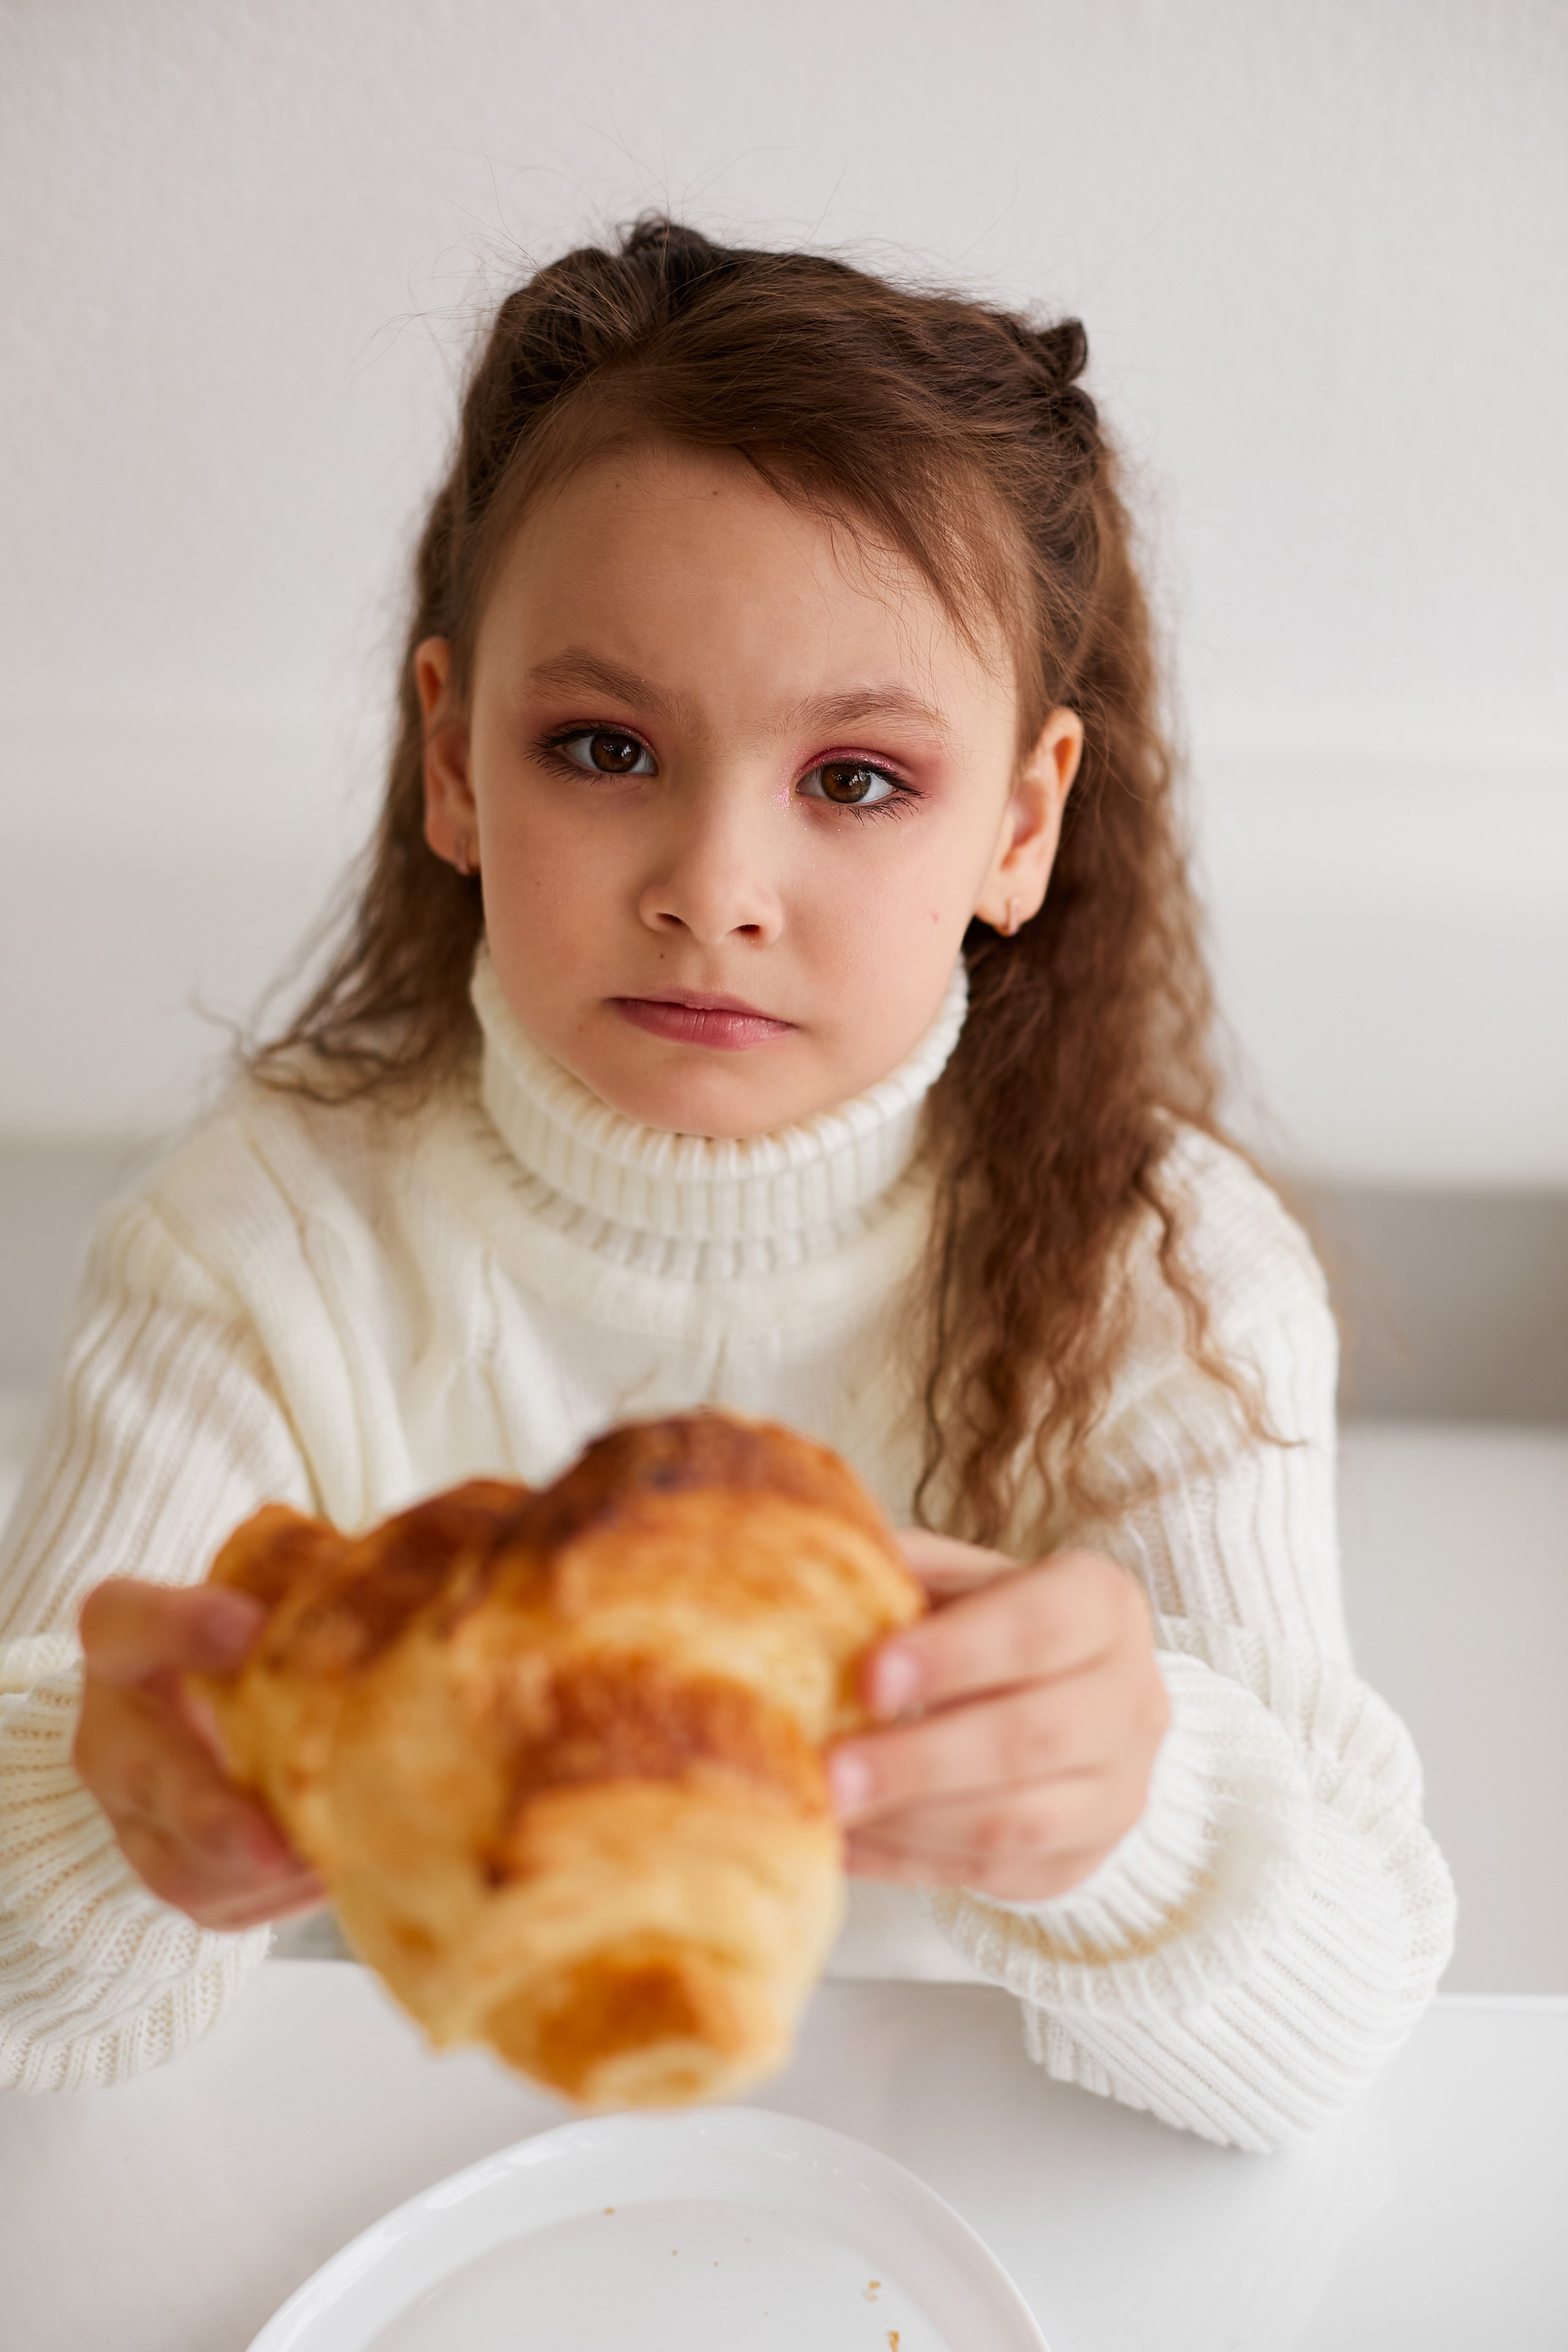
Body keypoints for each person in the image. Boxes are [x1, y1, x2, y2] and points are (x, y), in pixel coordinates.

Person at [0, 219, 1453, 2141]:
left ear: (1021, 826)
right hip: (421, 2172)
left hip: (958, 2199)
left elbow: (1345, 2041)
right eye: (603, 748)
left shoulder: (1165, 1274)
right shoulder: (266, 1243)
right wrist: (117, 1829)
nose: (715, 884)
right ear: (450, 758)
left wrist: (1137, 1810)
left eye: (856, 779)